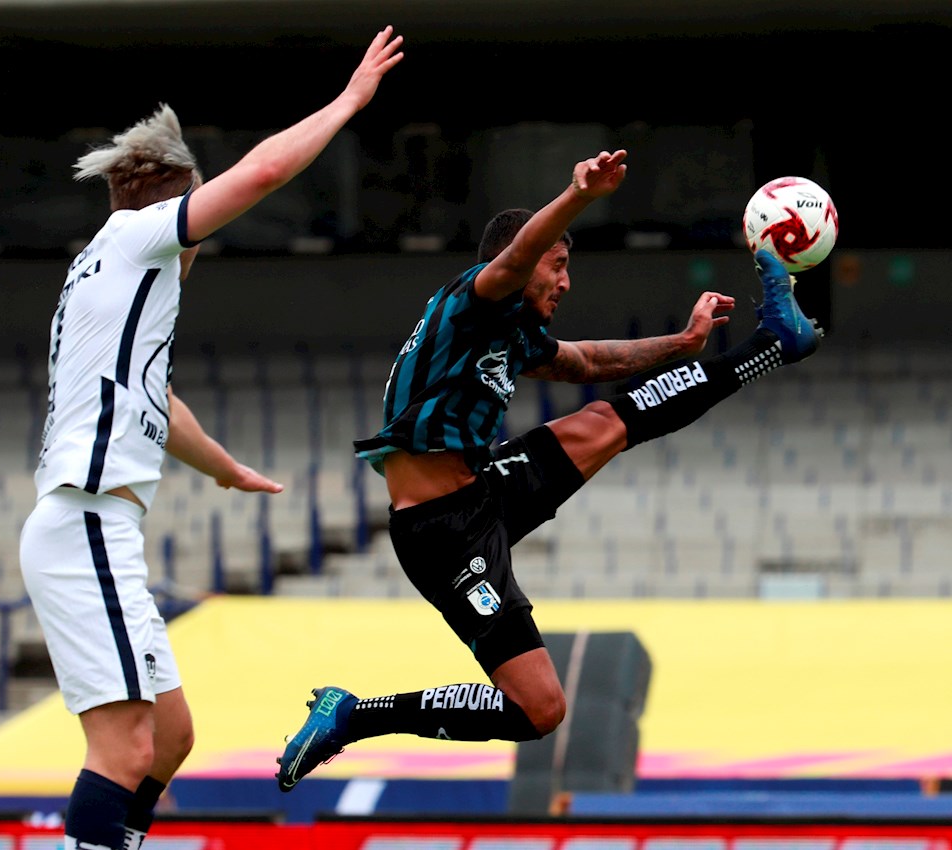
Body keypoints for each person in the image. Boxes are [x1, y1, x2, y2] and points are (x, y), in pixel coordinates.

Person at [274, 147, 823, 792]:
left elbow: (585, 361)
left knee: (608, 423)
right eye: (558, 266)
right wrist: (579, 195)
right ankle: (356, 716)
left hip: (482, 489)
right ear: (526, 261)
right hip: (442, 534)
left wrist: (679, 343)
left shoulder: (510, 328)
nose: (565, 283)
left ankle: (771, 346)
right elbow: (513, 257)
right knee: (542, 709)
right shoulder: (476, 299)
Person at [17, 26, 404, 850]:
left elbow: (157, 398)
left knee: (171, 736)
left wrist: (226, 470)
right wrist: (348, 102)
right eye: (197, 218)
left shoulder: (109, 275)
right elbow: (262, 172)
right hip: (85, 521)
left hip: (97, 524)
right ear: (172, 201)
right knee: (123, 749)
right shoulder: (137, 238)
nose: (201, 242)